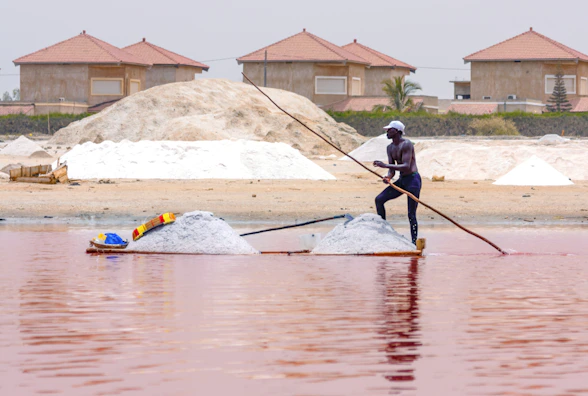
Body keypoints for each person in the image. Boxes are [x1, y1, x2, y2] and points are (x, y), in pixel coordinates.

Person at [373, 120, 421, 244]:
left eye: (390, 130)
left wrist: (384, 165)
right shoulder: (389, 147)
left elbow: (406, 166)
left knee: (411, 214)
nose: (387, 132)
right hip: (402, 180)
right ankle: (383, 231)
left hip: (413, 180)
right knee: (379, 199)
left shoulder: (407, 144)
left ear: (398, 131)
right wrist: (388, 177)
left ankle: (414, 243)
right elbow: (392, 170)